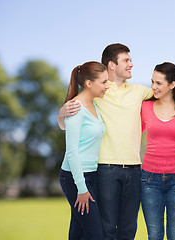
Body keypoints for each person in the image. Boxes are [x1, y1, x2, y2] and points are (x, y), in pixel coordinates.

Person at [58, 44, 153, 240]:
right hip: (104, 170)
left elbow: (167, 91)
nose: (131, 65)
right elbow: (69, 124)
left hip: (133, 169)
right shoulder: (97, 92)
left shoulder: (139, 91)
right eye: (126, 60)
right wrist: (61, 115)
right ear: (111, 65)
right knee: (103, 230)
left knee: (126, 230)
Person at [59, 61, 108, 240]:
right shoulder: (76, 107)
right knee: (94, 234)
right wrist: (81, 188)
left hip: (91, 175)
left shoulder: (93, 105)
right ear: (89, 83)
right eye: (103, 82)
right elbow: (71, 151)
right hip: (74, 178)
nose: (107, 86)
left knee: (79, 232)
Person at [140, 62, 175, 240]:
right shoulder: (145, 107)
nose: (154, 87)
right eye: (152, 81)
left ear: (172, 84)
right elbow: (131, 137)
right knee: (154, 235)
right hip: (149, 180)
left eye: (159, 83)